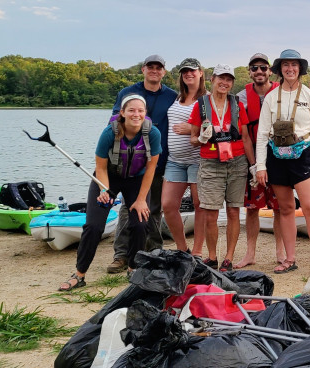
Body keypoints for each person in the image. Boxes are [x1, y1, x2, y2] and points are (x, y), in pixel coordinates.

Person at [58, 95, 161, 291]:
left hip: (136, 180)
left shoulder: (153, 134)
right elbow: (101, 167)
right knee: (94, 226)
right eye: (131, 110)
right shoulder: (109, 133)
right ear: (122, 113)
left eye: (140, 110)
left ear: (145, 113)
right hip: (107, 178)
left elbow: (151, 168)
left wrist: (141, 200)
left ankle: (133, 268)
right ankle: (79, 274)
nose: (136, 114)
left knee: (140, 223)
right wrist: (105, 190)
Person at [254, 49, 310, 277]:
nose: (290, 69)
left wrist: (300, 142)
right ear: (279, 69)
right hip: (276, 156)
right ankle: (289, 259)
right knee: (285, 208)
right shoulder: (271, 97)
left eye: (294, 65)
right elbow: (262, 133)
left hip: (302, 156)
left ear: (300, 69)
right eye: (286, 65)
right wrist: (260, 166)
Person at [107, 55, 177, 273]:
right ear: (143, 70)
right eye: (150, 67)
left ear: (164, 72)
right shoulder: (127, 93)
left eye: (159, 68)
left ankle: (154, 251)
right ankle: (121, 255)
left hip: (158, 160)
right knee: (129, 208)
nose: (154, 71)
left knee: (154, 208)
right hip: (130, 162)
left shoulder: (172, 96)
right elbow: (113, 122)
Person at [188, 65, 254, 272]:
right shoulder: (200, 106)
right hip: (210, 162)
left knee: (234, 210)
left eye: (229, 79)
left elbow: (245, 137)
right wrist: (201, 138)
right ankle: (212, 256)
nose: (224, 83)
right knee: (210, 213)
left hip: (237, 162)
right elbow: (192, 139)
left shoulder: (237, 105)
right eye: (221, 78)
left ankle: (228, 258)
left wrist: (253, 165)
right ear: (212, 79)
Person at [235, 53, 283, 269]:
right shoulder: (241, 98)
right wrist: (254, 165)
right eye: (254, 68)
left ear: (270, 71)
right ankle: (250, 253)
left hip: (278, 154)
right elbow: (243, 134)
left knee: (280, 206)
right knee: (252, 207)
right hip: (252, 154)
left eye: (263, 68)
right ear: (250, 72)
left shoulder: (282, 92)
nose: (259, 72)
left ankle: (281, 252)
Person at [161, 57, 206, 257]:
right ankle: (182, 248)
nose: (189, 74)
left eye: (193, 70)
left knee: (200, 206)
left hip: (199, 160)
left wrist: (192, 129)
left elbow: (217, 127)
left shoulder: (207, 99)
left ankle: (196, 252)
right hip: (175, 161)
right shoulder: (176, 97)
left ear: (200, 73)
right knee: (168, 205)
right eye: (185, 71)